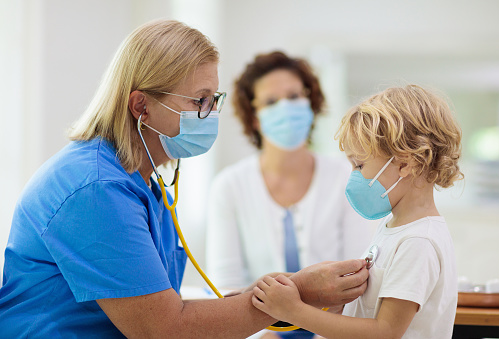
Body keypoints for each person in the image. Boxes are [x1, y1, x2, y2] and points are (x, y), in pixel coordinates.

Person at [0, 20, 370, 338]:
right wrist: (300, 291)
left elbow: (164, 305)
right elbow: (165, 329)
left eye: (213, 99)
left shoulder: (143, 185)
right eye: (199, 101)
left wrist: (277, 293)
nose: (209, 114)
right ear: (141, 107)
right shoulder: (96, 189)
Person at [251, 84, 463, 339]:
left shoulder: (418, 241)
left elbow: (385, 332)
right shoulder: (393, 228)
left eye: (360, 165)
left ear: (406, 164)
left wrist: (293, 311)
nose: (353, 176)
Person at [206, 51, 373, 338]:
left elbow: (361, 277)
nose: (286, 108)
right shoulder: (230, 186)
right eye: (271, 102)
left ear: (311, 102)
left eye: (294, 96)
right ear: (254, 117)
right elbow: (226, 288)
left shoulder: (347, 178)